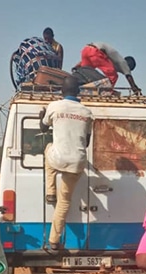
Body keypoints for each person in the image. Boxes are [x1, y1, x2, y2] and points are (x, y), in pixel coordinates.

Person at [39, 76, 93, 251]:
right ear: (78, 92)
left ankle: (50, 191)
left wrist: (42, 115)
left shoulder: (55, 106)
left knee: (48, 148)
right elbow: (86, 142)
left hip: (58, 158)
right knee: (65, 202)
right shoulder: (87, 112)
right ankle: (54, 240)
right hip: (77, 162)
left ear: (61, 91)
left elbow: (43, 128)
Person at [73, 42, 142, 95]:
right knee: (114, 76)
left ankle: (80, 85)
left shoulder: (112, 59)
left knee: (85, 70)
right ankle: (107, 92)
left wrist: (78, 65)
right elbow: (130, 79)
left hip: (86, 50)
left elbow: (92, 56)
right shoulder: (123, 62)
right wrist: (136, 90)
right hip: (95, 51)